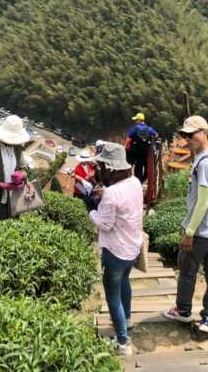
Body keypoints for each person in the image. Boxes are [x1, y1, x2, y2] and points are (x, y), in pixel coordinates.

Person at [162, 115, 208, 333]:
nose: (188, 138)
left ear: (204, 133)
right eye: (185, 135)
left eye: (192, 134)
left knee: (188, 269)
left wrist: (189, 231)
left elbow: (203, 203)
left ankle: (183, 310)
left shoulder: (206, 162)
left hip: (202, 230)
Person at [89, 142, 143, 356]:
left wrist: (91, 211)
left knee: (112, 295)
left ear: (110, 169)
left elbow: (104, 224)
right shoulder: (135, 182)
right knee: (124, 283)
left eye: (101, 167)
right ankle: (127, 319)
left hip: (115, 251)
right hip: (133, 247)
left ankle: (122, 343)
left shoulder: (111, 193)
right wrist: (106, 198)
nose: (99, 170)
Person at [125, 113, 158, 183]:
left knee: (135, 165)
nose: (135, 121)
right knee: (143, 165)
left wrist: (127, 147)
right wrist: (151, 140)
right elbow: (156, 134)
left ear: (139, 120)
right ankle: (143, 179)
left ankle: (133, 179)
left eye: (136, 120)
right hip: (145, 151)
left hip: (135, 151)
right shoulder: (149, 129)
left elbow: (128, 140)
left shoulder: (134, 128)